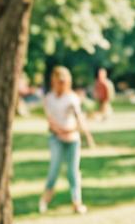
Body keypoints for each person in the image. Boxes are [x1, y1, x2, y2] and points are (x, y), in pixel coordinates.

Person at [39, 66, 95, 214]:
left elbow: (79, 118)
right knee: (54, 169)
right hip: (56, 137)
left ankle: (77, 203)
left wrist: (86, 135)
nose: (61, 84)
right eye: (59, 81)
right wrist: (61, 131)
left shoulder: (72, 98)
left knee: (73, 171)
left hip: (72, 139)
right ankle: (44, 201)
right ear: (54, 82)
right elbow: (50, 120)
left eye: (64, 82)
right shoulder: (49, 99)